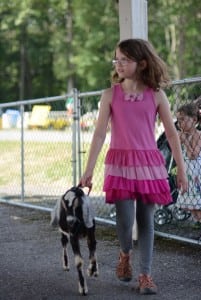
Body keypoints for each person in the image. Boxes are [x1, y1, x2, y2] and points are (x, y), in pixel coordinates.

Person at [79, 38, 188, 295]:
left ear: (142, 63)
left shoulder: (157, 95)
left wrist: (181, 169)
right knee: (126, 221)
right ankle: (125, 253)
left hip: (149, 165)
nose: (118, 64)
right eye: (116, 59)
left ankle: (146, 275)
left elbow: (172, 135)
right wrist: (88, 170)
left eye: (124, 60)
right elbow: (98, 135)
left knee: (146, 220)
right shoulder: (110, 95)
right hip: (120, 165)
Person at [176, 103, 201, 239]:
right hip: (188, 176)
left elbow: (193, 155)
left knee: (198, 208)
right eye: (179, 120)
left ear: (194, 120)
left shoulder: (197, 135)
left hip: (197, 176)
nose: (180, 123)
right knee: (193, 208)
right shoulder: (183, 135)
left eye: (183, 120)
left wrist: (185, 141)